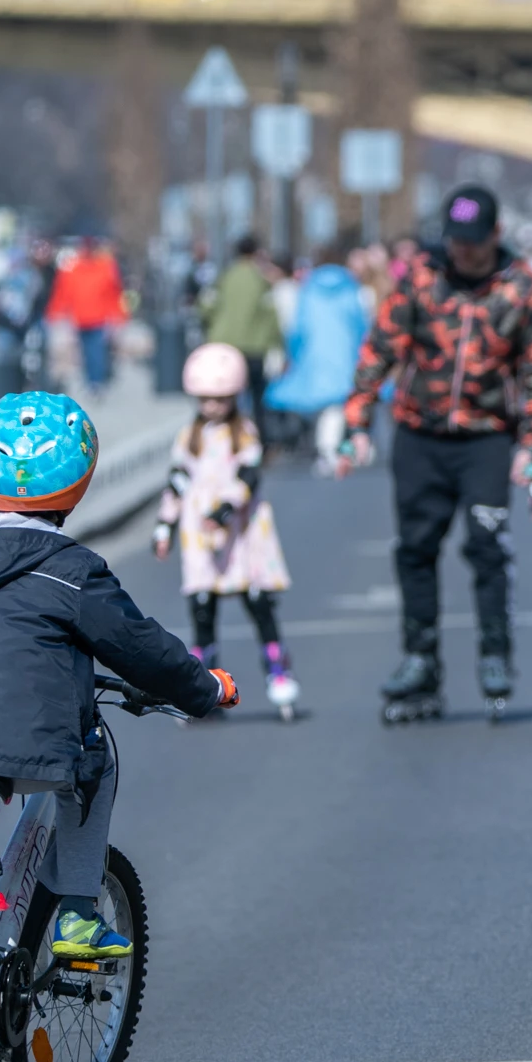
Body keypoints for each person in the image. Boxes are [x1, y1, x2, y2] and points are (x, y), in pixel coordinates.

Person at [0, 391, 237, 1032]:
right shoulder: (71, 571)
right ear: (82, 481)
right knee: (95, 763)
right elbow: (140, 650)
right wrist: (204, 689)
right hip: (30, 743)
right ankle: (81, 917)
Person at [335, 184, 532, 723]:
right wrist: (357, 419)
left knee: (486, 545)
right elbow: (381, 346)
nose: (463, 253)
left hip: (486, 437)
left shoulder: (522, 288)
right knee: (415, 547)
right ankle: (421, 659)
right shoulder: (420, 276)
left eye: (474, 243)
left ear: (496, 236)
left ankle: (495, 654)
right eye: (456, 241)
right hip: (420, 434)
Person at [153, 344, 300, 717]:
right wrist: (164, 525)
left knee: (258, 602)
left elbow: (248, 475)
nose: (212, 407)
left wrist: (226, 507)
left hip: (242, 532)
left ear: (233, 396)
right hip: (202, 536)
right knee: (203, 608)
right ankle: (205, 686)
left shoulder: (244, 432)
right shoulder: (190, 436)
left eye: (219, 400)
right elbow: (178, 480)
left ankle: (277, 672)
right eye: (205, 400)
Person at [265, 245, 372, 476]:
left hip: (314, 355)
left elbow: (298, 327)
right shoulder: (351, 288)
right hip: (345, 353)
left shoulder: (308, 290)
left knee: (323, 404)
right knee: (339, 403)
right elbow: (362, 325)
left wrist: (294, 353)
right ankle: (335, 449)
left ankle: (328, 450)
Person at [203, 235, 284, 436]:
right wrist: (276, 344)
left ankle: (230, 436)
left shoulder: (225, 277)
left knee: (228, 395)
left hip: (225, 345)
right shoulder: (261, 280)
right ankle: (259, 439)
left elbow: (206, 306)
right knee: (257, 396)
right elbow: (271, 315)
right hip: (255, 346)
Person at [45, 238, 127, 395]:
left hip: (98, 318)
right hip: (81, 318)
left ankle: (96, 381)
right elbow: (63, 293)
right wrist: (55, 312)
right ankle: (91, 380)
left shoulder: (104, 268)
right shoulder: (73, 270)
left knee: (96, 351)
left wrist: (118, 314)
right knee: (85, 352)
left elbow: (113, 293)